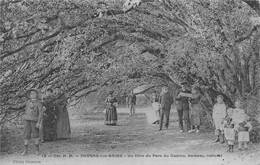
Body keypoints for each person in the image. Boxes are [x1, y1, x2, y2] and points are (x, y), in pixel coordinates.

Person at [10, 89, 43, 155]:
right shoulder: (27, 102)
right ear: (29, 95)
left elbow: (40, 114)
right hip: (27, 120)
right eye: (31, 94)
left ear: (36, 95)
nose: (32, 95)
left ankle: (37, 150)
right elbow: (19, 107)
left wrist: (39, 122)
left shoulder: (39, 103)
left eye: (34, 94)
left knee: (36, 135)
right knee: (26, 135)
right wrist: (10, 107)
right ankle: (25, 150)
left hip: (34, 121)